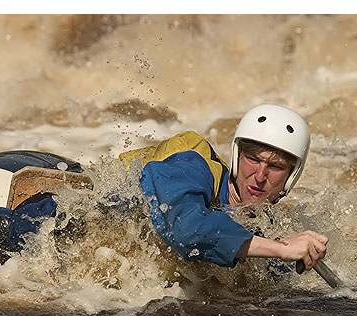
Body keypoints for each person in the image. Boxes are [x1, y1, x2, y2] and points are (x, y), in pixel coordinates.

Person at [119, 104, 328, 271]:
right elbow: (185, 229)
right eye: (253, 160)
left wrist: (301, 255)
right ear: (237, 158)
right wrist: (281, 249)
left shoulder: (257, 218)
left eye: (275, 167)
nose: (260, 176)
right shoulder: (191, 166)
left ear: (291, 177)